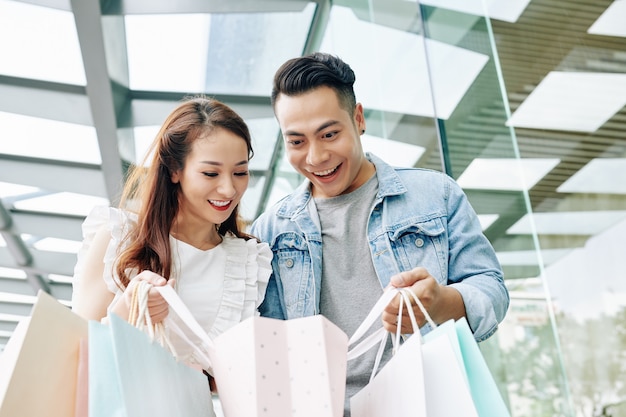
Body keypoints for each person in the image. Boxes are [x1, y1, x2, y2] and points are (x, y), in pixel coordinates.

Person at [250, 52, 509, 415]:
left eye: (329, 134)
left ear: (358, 119)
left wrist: (442, 303)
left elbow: (491, 288)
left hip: (427, 402)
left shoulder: (436, 195)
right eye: (297, 141)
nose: (316, 156)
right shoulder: (272, 230)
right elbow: (270, 347)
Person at [71, 96, 272, 374]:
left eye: (240, 172)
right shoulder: (118, 237)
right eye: (211, 173)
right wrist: (130, 307)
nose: (229, 189)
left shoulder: (249, 262)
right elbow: (75, 350)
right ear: (175, 170)